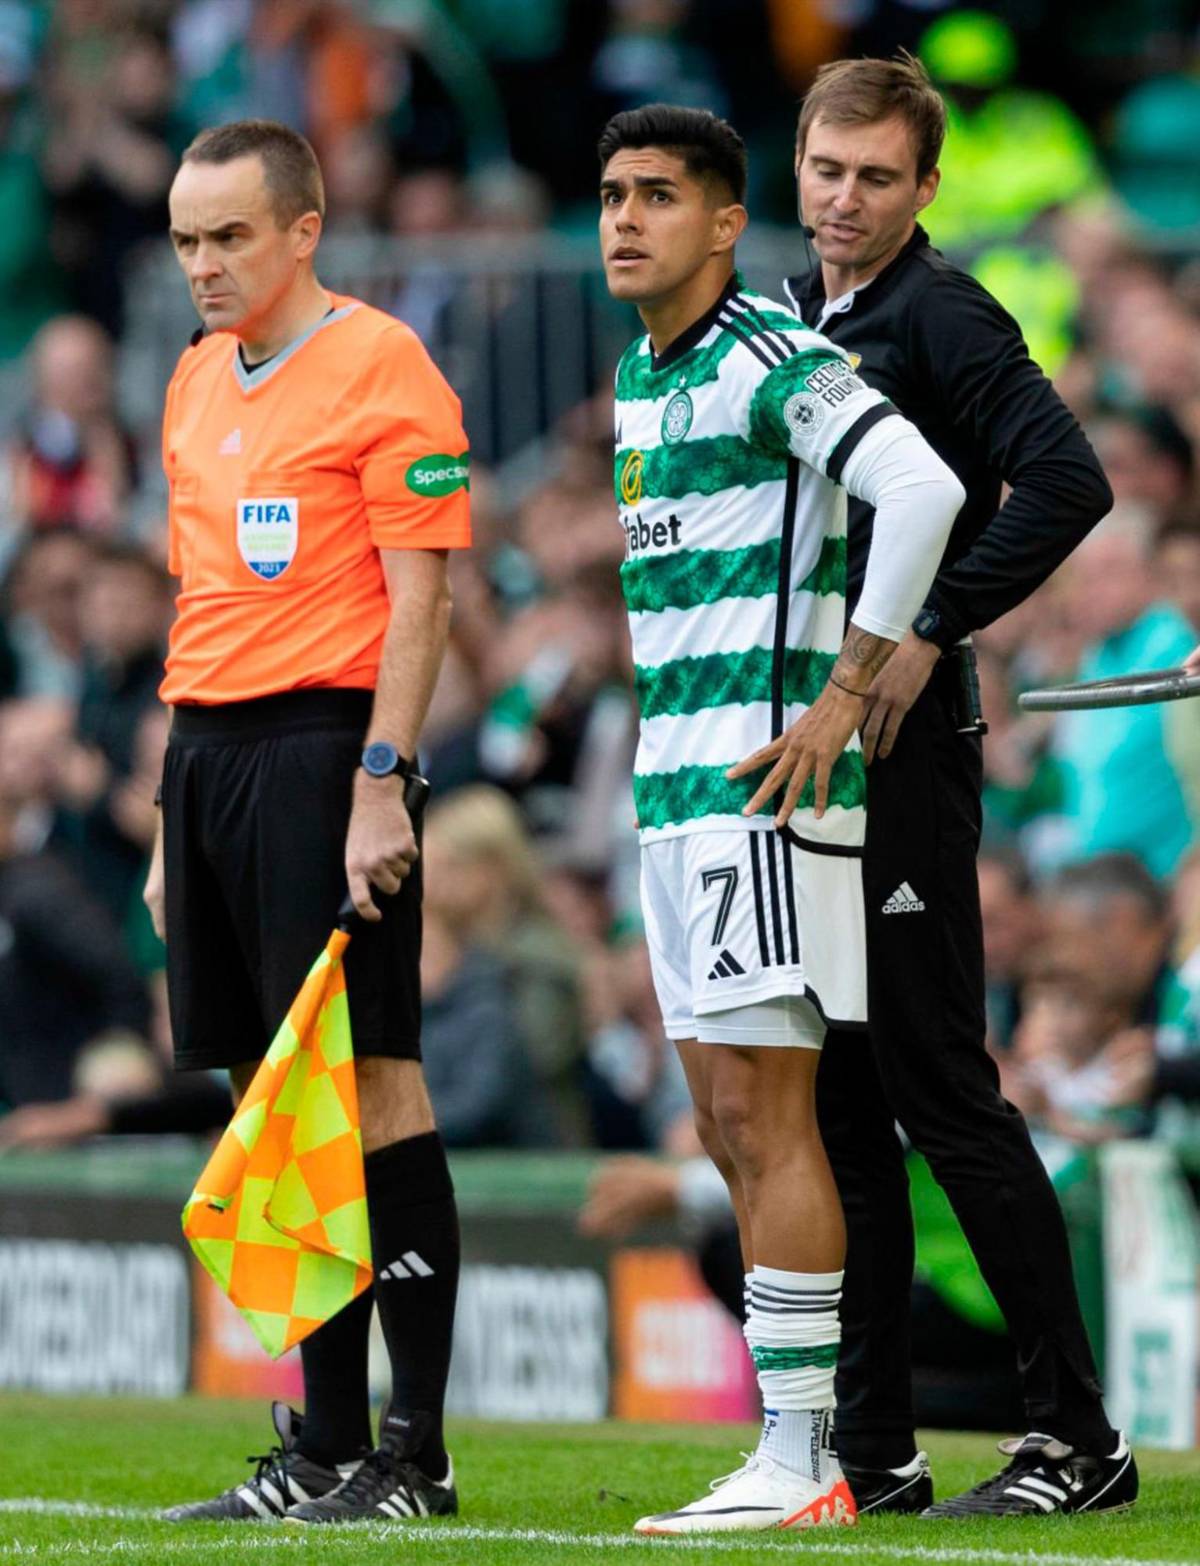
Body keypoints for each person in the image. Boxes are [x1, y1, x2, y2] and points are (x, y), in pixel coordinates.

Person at [600, 103, 964, 1533]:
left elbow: (921, 485)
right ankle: (792, 1449)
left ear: (724, 221)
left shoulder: (768, 354)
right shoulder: (644, 376)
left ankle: (805, 1452)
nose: (628, 220)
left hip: (765, 796)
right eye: (615, 196)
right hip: (673, 796)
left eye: (660, 198)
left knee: (772, 1114)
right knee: (727, 1123)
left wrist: (846, 691)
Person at [784, 53, 1134, 1518]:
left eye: (876, 177)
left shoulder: (940, 312)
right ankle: (877, 1449)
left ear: (929, 189)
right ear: (794, 169)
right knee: (848, 1105)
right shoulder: (793, 320)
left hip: (904, 752)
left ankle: (1080, 1439)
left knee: (943, 1091)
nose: (846, 200)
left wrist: (930, 630)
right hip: (819, 747)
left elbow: (1067, 481)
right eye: (826, 170)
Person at [146, 120, 470, 1527]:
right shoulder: (191, 379)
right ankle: (327, 1437)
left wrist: (382, 780)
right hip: (207, 749)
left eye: (228, 236)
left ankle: (418, 1446)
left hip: (327, 746)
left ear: (303, 230)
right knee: (267, 1096)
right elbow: (200, 597)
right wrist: (170, 820)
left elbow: (424, 597)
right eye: (185, 238)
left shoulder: (383, 362)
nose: (204, 265)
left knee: (372, 1081)